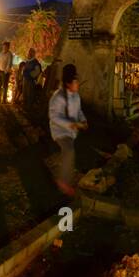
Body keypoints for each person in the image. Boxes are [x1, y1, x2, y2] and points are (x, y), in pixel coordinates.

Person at [49, 64, 88, 197]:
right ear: (67, 83)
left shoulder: (75, 96)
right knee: (69, 151)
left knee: (72, 151)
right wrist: (70, 125)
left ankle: (68, 177)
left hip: (72, 131)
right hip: (60, 131)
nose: (78, 84)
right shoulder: (58, 97)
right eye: (75, 82)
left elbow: (79, 111)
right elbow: (54, 116)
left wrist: (83, 120)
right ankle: (63, 182)